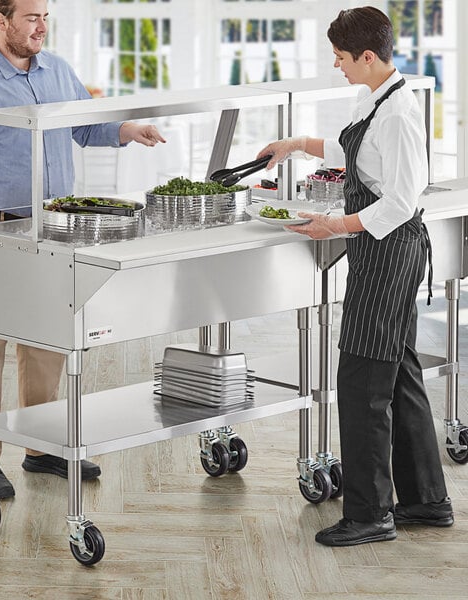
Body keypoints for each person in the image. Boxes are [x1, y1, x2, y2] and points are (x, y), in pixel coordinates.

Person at [0, 0, 165, 499]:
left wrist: (128, 130)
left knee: (46, 342)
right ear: (1, 21)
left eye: (45, 17)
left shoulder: (57, 70)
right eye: (31, 17)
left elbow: (84, 125)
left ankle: (40, 448)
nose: (41, 27)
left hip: (54, 225)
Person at [257, 6, 452, 546]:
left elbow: (402, 198)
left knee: (363, 382)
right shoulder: (379, 99)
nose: (337, 66)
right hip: (382, 251)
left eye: (342, 58)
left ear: (369, 56)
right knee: (400, 372)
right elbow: (355, 152)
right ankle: (426, 501)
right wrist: (294, 144)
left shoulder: (399, 112)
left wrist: (334, 225)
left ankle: (369, 514)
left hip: (389, 254)